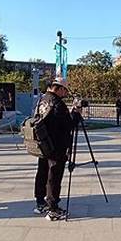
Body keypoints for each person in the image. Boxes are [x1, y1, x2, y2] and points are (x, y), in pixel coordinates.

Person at [32, 78, 75, 221]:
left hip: (43, 143)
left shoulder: (42, 100)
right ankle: (53, 208)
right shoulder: (58, 103)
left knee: (42, 171)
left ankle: (40, 202)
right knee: (54, 176)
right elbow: (68, 125)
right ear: (59, 89)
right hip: (56, 145)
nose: (65, 93)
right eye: (65, 90)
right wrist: (75, 114)